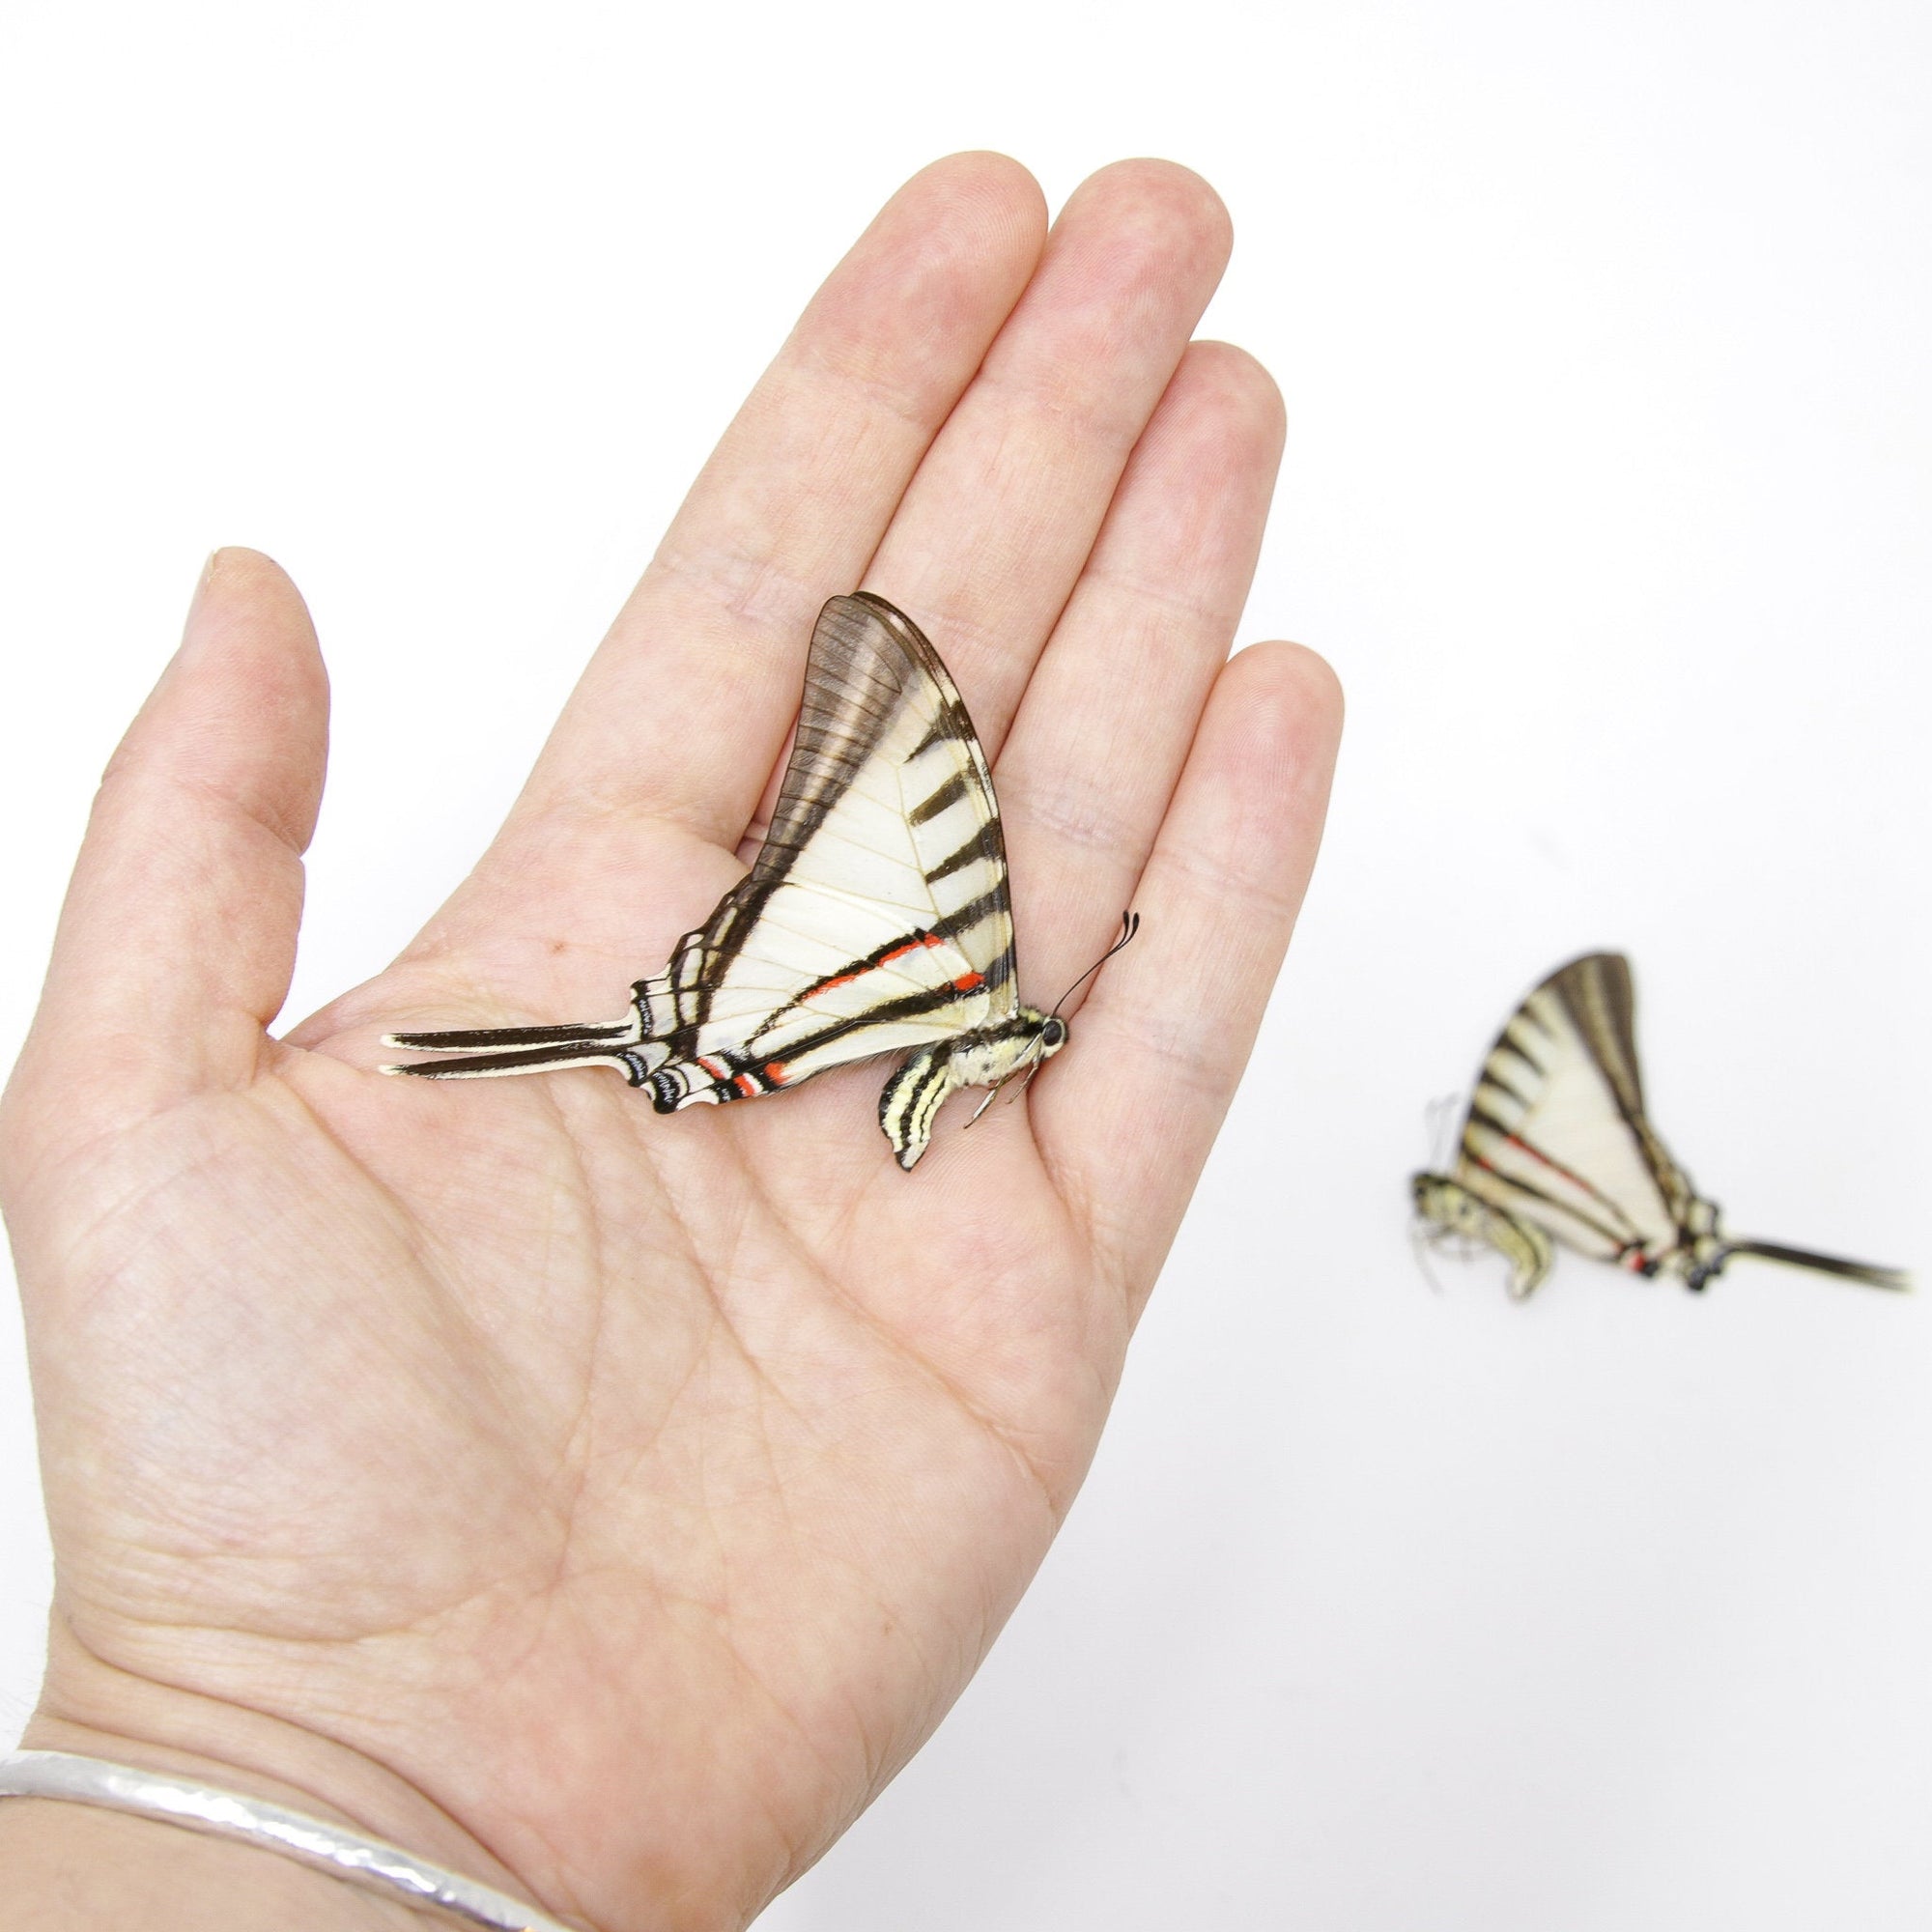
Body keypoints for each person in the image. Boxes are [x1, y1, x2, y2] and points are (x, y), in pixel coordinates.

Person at [0, 153, 1341, 1929]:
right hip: (746, 1028)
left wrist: (276, 1759)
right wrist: (277, 1732)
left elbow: (958, 1060)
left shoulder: (973, 994)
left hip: (751, 1026)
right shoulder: (961, 964)